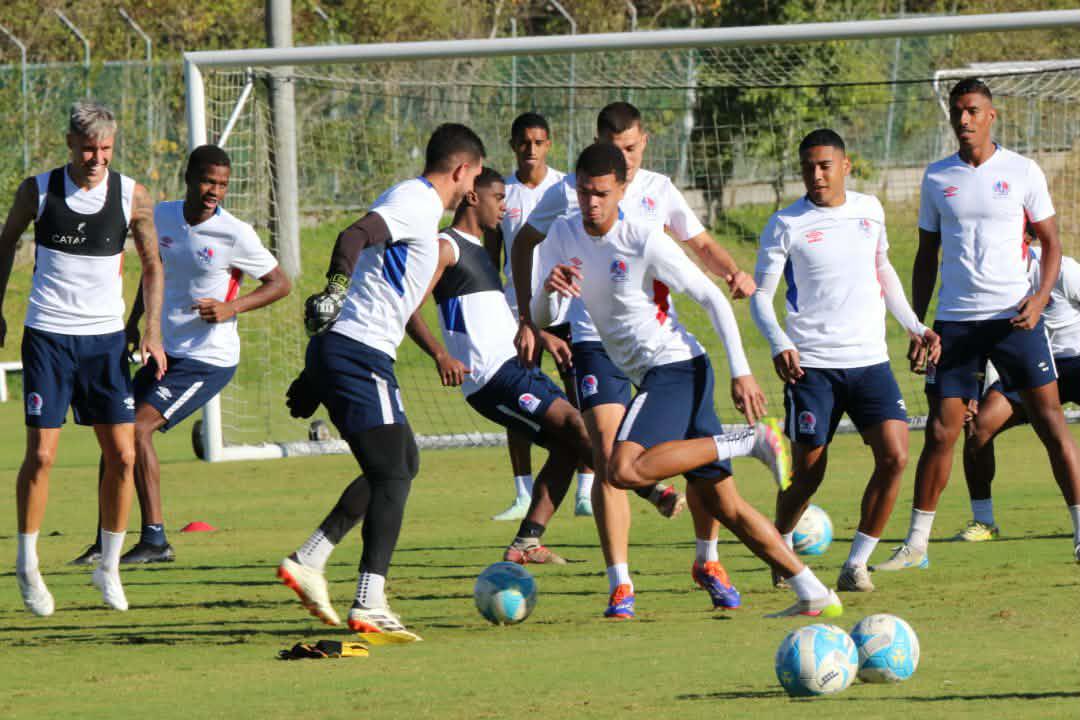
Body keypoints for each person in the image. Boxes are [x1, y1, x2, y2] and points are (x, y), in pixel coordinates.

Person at [533, 142, 842, 620]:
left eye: (601, 193)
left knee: (622, 468)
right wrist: (550, 293)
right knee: (728, 506)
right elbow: (541, 314)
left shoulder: (644, 238)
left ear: (621, 190)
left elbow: (713, 298)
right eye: (583, 192)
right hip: (659, 373)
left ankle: (750, 440)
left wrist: (741, 370)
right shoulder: (562, 234)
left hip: (676, 368)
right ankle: (813, 591)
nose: (591, 203)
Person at [512, 102, 755, 613]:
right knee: (606, 455)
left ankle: (707, 557)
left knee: (695, 453)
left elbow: (698, 243)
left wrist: (732, 271)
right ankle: (620, 581)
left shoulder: (660, 190)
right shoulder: (571, 192)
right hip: (592, 337)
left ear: (643, 141)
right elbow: (526, 243)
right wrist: (530, 316)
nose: (622, 159)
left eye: (630, 148)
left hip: (660, 342)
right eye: (613, 148)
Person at [278, 123, 485, 642]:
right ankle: (369, 599)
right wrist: (333, 288)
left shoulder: (421, 212)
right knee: (394, 469)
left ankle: (310, 559)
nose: (473, 190)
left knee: (399, 462)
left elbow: (375, 285)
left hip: (349, 349)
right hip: (358, 351)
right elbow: (353, 236)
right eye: (474, 178)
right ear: (460, 169)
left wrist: (314, 373)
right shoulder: (415, 202)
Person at [874, 78, 1080, 571]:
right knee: (943, 432)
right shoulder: (935, 177)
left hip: (1014, 320)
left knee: (1052, 425)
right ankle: (916, 545)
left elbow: (1051, 242)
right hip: (956, 324)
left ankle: (1079, 533)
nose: (963, 120)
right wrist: (918, 324)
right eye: (957, 112)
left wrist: (1039, 296)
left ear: (991, 116)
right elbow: (927, 255)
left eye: (972, 111)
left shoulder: (1023, 171)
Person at [69, 145, 291, 566]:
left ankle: (155, 540)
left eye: (222, 185)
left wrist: (231, 308)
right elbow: (154, 273)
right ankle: (106, 541)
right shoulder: (163, 216)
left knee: (135, 431)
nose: (215, 191)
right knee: (115, 435)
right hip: (162, 353)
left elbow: (280, 283)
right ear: (189, 177)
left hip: (208, 359)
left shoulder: (235, 234)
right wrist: (135, 322)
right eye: (209, 181)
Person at [750, 129, 940, 592]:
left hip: (870, 361)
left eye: (825, 166)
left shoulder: (869, 210)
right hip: (811, 365)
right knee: (808, 474)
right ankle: (782, 542)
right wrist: (779, 342)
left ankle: (856, 565)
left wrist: (915, 325)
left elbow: (884, 272)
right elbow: (760, 296)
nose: (816, 175)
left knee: (895, 455)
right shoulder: (785, 223)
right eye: (808, 167)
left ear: (845, 165)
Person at [0, 101, 167, 615]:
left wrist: (151, 331)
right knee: (43, 456)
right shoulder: (38, 189)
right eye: (89, 148)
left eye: (107, 149)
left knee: (123, 455)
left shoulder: (132, 195)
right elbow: (5, 244)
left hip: (105, 343)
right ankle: (28, 568)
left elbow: (154, 265)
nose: (98, 159)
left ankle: (109, 567)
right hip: (48, 336)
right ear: (71, 144)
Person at [407, 167, 592, 564]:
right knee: (578, 428)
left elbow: (495, 321)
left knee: (567, 447)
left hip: (514, 368)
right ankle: (647, 485)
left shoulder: (485, 254)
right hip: (491, 379)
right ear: (474, 197)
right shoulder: (446, 247)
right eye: (500, 200)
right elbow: (407, 307)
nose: (505, 210)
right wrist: (441, 354)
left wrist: (542, 336)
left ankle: (526, 543)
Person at [484, 113, 593, 520]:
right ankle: (522, 493)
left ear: (550, 145)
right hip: (520, 314)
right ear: (513, 144)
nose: (531, 149)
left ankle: (585, 489)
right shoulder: (503, 193)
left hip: (567, 308)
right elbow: (492, 256)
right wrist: (502, 306)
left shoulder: (567, 188)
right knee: (521, 401)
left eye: (538, 142)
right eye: (524, 142)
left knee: (582, 398)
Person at [956, 243, 1080, 542]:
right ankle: (984, 521)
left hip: (1075, 362)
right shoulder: (989, 279)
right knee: (977, 428)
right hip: (1028, 368)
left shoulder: (1064, 269)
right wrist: (974, 388)